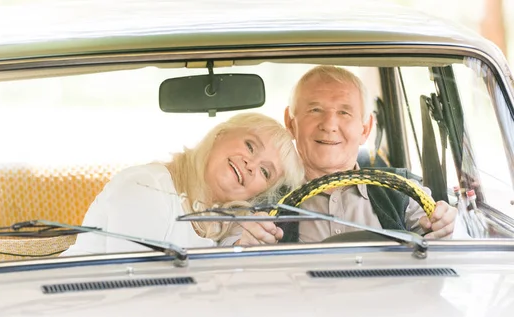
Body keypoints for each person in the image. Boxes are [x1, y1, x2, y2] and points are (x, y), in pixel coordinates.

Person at [238, 66, 459, 246]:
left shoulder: (403, 191)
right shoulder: (264, 201)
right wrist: (248, 244)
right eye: (315, 110)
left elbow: (446, 243)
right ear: (290, 122)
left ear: (365, 129)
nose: (329, 125)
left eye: (344, 112)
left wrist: (445, 226)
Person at [61, 112, 304, 256]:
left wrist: (244, 250)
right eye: (250, 146)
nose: (250, 165)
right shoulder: (147, 187)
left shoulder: (226, 223)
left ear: (260, 191)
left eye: (264, 171)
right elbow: (131, 288)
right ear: (220, 134)